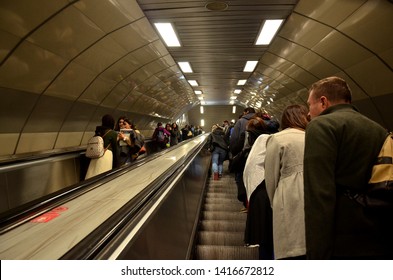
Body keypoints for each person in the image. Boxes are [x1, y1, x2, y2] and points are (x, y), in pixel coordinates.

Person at [303, 76, 392, 259]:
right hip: (375, 231)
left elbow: (319, 195)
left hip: (340, 235)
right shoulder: (377, 128)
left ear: (323, 102)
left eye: (309, 105)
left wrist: (316, 254)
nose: (308, 113)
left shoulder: (321, 126)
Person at [264, 104, 309, 259]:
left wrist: (274, 201)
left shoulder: (277, 139)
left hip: (288, 195)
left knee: (289, 247)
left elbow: (271, 177)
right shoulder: (314, 136)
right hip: (313, 194)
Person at [229, 107, 256, 209]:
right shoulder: (261, 121)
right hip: (258, 158)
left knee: (241, 178)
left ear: (246, 112)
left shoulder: (241, 122)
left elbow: (234, 139)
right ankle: (252, 204)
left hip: (244, 155)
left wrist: (233, 153)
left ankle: (246, 204)